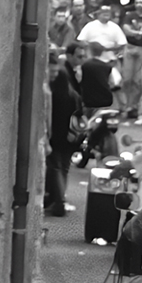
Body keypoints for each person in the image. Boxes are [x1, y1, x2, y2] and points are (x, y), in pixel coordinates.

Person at [44, 51, 83, 217]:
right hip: (71, 137)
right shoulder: (73, 96)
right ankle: (59, 198)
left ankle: (58, 201)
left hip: (56, 137)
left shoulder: (52, 96)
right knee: (65, 168)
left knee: (55, 167)